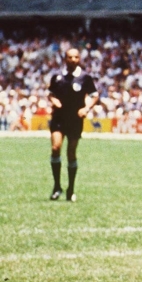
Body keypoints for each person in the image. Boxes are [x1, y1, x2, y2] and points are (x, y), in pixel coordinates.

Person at [47, 48, 98, 202]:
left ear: (79, 59)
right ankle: (57, 187)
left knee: (71, 153)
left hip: (75, 120)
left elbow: (94, 95)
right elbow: (51, 93)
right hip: (58, 118)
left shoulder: (85, 78)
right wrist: (53, 100)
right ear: (65, 59)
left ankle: (71, 189)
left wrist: (86, 108)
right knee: (56, 148)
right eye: (70, 57)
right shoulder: (57, 77)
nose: (73, 59)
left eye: (76, 57)